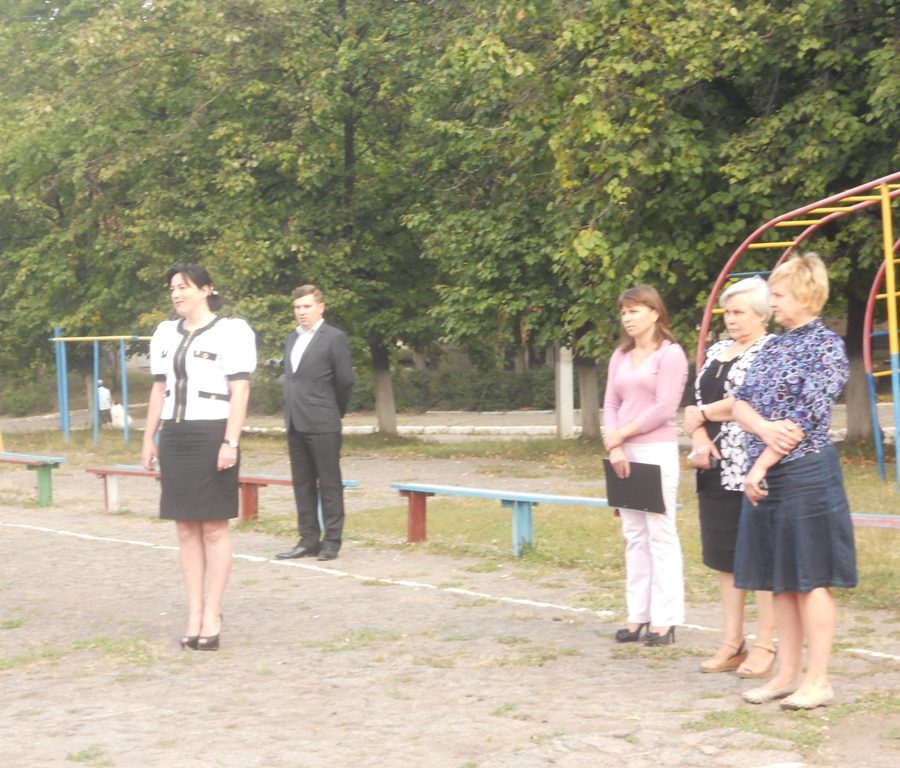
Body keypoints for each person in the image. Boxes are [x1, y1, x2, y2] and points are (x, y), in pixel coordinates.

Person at [733, 253, 856, 710]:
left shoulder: (826, 347)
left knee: (811, 577)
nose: (773, 303)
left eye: (780, 295)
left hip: (806, 475)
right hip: (767, 475)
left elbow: (805, 419)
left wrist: (760, 465)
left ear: (806, 296)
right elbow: (740, 403)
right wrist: (763, 429)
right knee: (779, 580)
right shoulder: (773, 347)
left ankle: (818, 679)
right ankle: (786, 674)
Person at [141, 265, 256, 651]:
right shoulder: (164, 333)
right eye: (172, 287)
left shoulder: (232, 331)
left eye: (184, 287)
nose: (176, 294)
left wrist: (230, 441)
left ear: (206, 289)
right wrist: (149, 438)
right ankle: (194, 612)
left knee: (213, 528)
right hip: (176, 434)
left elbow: (240, 391)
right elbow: (159, 389)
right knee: (186, 528)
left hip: (212, 433)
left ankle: (213, 613)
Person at [682, 277, 776, 676]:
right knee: (726, 558)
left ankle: (766, 644)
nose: (731, 320)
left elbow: (746, 400)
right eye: (727, 312)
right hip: (715, 468)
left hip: (753, 465)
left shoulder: (771, 351)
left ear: (762, 314)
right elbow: (694, 405)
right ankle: (732, 641)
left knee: (761, 558)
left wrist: (703, 414)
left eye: (740, 312)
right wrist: (700, 438)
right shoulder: (717, 351)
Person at [603, 285, 689, 646]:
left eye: (635, 310)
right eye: (624, 312)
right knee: (634, 535)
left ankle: (665, 620)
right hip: (623, 453)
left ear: (655, 313)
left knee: (660, 534)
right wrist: (615, 446)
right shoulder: (620, 356)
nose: (628, 318)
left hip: (655, 451)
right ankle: (637, 614)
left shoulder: (670, 354)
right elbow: (611, 403)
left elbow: (665, 408)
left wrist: (622, 433)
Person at [276, 285, 355, 562]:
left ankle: (332, 540)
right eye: (297, 307)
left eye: (307, 307)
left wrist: (334, 410)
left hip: (323, 421)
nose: (301, 312)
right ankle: (308, 539)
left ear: (321, 307)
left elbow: (345, 380)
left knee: (329, 484)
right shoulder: (291, 339)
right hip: (295, 421)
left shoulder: (334, 338)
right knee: (302, 484)